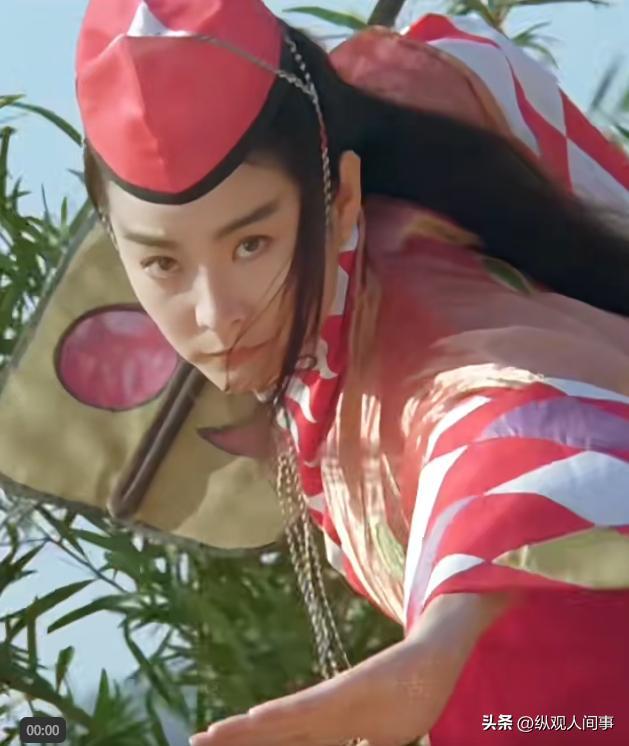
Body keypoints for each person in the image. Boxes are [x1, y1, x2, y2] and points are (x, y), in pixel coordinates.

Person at [74, 0, 629, 744]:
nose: (215, 314)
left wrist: (437, 646)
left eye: (251, 245)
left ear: (342, 200)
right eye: (161, 264)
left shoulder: (415, 338)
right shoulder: (375, 117)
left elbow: (511, 431)